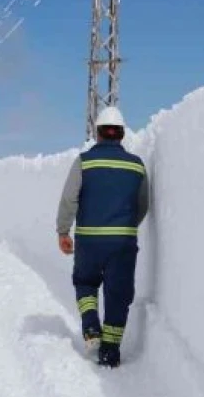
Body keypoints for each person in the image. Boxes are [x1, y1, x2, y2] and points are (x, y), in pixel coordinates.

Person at [55, 106, 149, 368]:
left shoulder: (84, 162)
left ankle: (91, 328)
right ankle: (110, 351)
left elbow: (69, 198)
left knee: (85, 283)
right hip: (123, 243)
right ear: (121, 134)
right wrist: (126, 226)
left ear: (97, 134)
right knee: (118, 294)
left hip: (88, 241)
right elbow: (143, 204)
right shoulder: (137, 165)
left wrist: (63, 231)